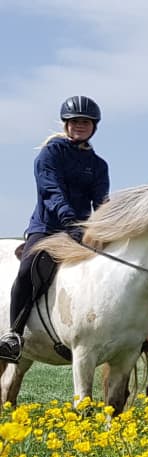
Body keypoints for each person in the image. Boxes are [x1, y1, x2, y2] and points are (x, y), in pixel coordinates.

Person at [0, 96, 109, 363]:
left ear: (93, 126)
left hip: (81, 231)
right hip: (47, 228)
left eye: (85, 122)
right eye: (74, 122)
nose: (79, 126)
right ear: (66, 124)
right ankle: (13, 334)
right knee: (28, 269)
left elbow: (101, 201)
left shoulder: (98, 165)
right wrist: (70, 219)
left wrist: (106, 226)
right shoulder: (51, 154)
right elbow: (51, 191)